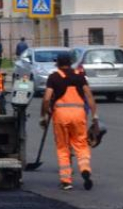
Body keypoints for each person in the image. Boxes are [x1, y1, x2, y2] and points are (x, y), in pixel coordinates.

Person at [41, 53, 98, 191]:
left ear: (57, 63)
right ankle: (85, 169)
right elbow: (89, 96)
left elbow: (47, 98)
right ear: (71, 63)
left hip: (61, 116)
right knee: (81, 145)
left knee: (63, 147)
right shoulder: (79, 76)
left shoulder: (54, 77)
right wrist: (95, 116)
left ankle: (66, 181)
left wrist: (43, 115)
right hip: (79, 115)